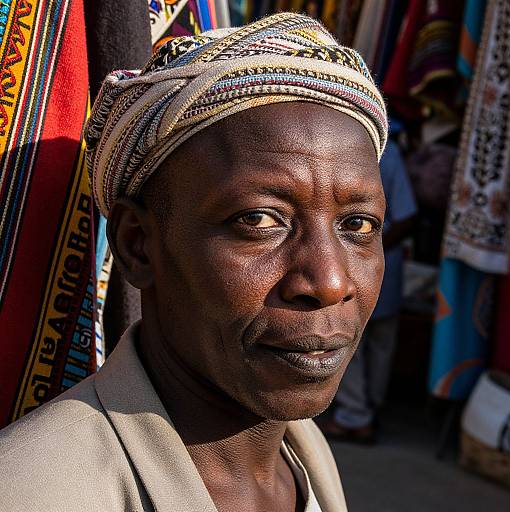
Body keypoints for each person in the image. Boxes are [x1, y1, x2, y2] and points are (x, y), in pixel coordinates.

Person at [0, 13, 388, 512]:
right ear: (138, 244)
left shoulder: (305, 455)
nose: (330, 282)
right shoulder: (35, 493)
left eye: (358, 225)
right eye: (259, 220)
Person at [320, 138, 417, 443]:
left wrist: (368, 250)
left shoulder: (359, 150)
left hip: (374, 268)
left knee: (357, 344)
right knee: (368, 344)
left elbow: (406, 217)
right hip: (374, 266)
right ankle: (364, 410)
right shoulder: (384, 153)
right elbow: (407, 214)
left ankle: (357, 415)